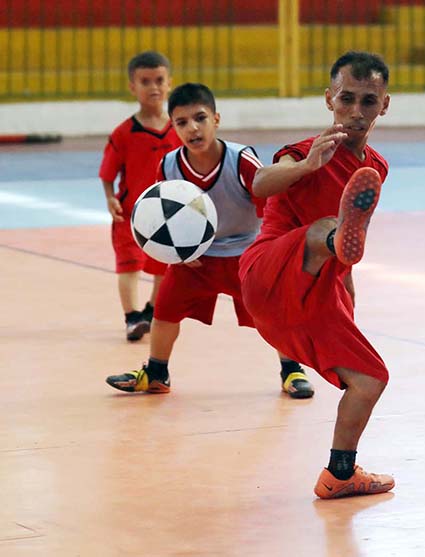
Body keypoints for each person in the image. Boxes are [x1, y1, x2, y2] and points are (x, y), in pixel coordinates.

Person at [239, 51, 395, 499]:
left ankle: (339, 474)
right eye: (347, 99)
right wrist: (307, 166)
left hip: (314, 295)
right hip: (268, 272)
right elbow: (259, 183)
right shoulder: (304, 151)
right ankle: (333, 237)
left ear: (384, 105)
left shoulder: (376, 168)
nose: (356, 111)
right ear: (329, 99)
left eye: (369, 100)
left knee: (370, 379)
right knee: (326, 229)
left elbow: (347, 256)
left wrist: (348, 308)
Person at [105, 83, 314, 399]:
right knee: (164, 310)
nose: (192, 128)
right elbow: (161, 218)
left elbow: (272, 209)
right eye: (182, 122)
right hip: (195, 258)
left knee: (273, 312)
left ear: (216, 119)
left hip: (245, 253)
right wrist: (176, 253)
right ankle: (157, 373)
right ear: (173, 127)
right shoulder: (169, 165)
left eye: (200, 118)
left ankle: (292, 370)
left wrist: (267, 253)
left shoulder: (241, 160)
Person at [99, 51, 183, 341]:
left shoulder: (179, 129)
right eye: (145, 81)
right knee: (129, 265)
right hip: (129, 214)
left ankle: (150, 310)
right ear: (132, 87)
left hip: (168, 213)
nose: (153, 87)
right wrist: (109, 197)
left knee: (164, 266)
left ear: (169, 83)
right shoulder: (123, 133)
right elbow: (107, 174)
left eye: (159, 80)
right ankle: (132, 317)